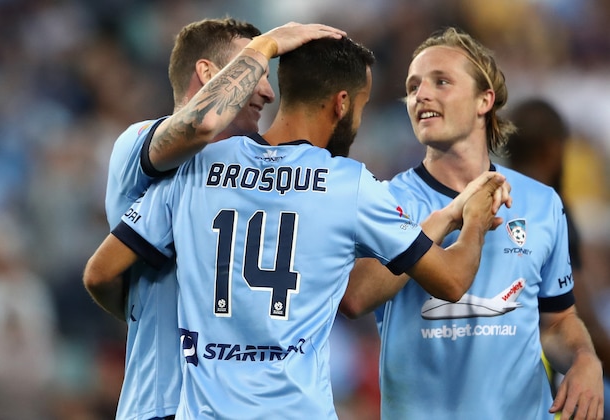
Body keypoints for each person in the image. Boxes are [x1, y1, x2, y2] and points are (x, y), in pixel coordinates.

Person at [83, 33, 510, 419]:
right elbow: (451, 282)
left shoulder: (197, 168)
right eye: (360, 107)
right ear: (341, 103)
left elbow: (100, 272)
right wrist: (472, 219)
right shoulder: (348, 184)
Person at [85, 18, 348, 420]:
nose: (267, 91)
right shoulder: (138, 143)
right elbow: (201, 124)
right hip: (163, 403)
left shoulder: (259, 172)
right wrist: (269, 43)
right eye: (258, 70)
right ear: (208, 73)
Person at [340, 27, 604, 419]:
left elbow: (556, 321)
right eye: (413, 86)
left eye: (440, 81)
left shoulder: (541, 202)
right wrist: (446, 220)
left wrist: (584, 359)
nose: (420, 95)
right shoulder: (385, 199)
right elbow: (356, 297)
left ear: (485, 100)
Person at [506, 97, 610, 418]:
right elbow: (579, 314)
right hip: (537, 389)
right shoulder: (551, 210)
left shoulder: (487, 201)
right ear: (553, 150)